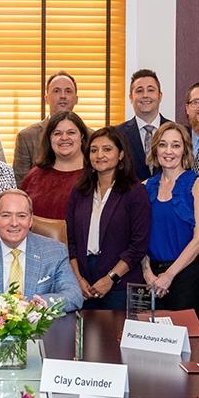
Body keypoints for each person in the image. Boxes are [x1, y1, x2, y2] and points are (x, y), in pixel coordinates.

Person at [66, 128, 150, 310]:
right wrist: (78, 279)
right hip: (84, 283)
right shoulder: (79, 191)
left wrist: (111, 278)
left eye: (107, 149)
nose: (99, 155)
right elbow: (70, 241)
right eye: (94, 150)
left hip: (121, 284)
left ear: (120, 154)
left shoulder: (135, 192)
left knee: (115, 337)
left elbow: (138, 246)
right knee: (84, 336)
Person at [143, 122, 199, 310]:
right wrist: (147, 272)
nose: (169, 151)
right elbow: (137, 238)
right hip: (150, 278)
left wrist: (169, 275)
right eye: (163, 144)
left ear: (185, 150)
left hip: (185, 276)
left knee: (185, 337)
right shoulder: (144, 187)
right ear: (155, 149)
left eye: (176, 145)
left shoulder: (198, 185)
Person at [13, 71, 79, 184]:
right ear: (46, 98)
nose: (63, 96)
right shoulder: (27, 137)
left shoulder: (90, 136)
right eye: (56, 91)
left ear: (76, 99)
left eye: (68, 91)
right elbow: (21, 185)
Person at [20, 111, 88, 220]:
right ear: (49, 139)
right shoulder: (34, 176)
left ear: (82, 137)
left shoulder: (95, 176)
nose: (64, 138)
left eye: (71, 132)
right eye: (57, 133)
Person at [115, 68, 171, 181]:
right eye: (139, 91)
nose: (145, 95)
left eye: (151, 90)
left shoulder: (177, 132)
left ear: (160, 96)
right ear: (131, 97)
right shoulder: (116, 134)